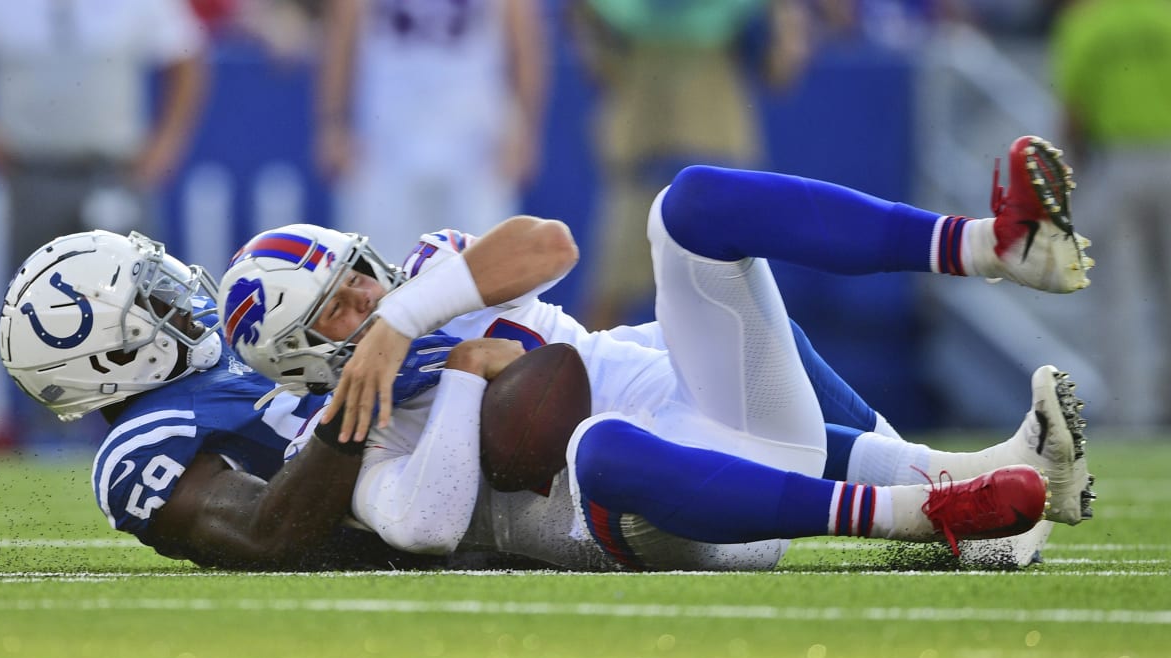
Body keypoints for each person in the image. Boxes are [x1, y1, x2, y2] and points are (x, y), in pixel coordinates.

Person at [218, 136, 1095, 571]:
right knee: (595, 446)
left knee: (693, 204)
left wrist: (410, 319)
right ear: (301, 360)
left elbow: (550, 245)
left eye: (355, 276)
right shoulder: (344, 436)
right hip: (679, 514)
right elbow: (428, 523)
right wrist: (457, 377)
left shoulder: (425, 284)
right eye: (337, 311)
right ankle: (924, 519)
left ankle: (992, 247)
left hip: (731, 410)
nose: (366, 298)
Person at [0, 228, 464, 571]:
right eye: (151, 297)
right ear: (111, 357)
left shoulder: (218, 327)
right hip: (422, 482)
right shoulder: (146, 445)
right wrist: (359, 399)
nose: (179, 297)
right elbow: (267, 535)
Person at [571, 0, 811, 330]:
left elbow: (780, 70)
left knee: (743, 315)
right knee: (608, 305)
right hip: (653, 167)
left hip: (710, 167)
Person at [0, 0, 208, 273]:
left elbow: (186, 58)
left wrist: (167, 142)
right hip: (32, 172)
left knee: (130, 294)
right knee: (36, 299)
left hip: (115, 172)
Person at [316, 0, 546, 263]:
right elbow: (341, 36)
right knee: (378, 272)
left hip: (475, 142)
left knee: (484, 272)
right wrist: (333, 124)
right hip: (386, 140)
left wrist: (526, 131)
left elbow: (524, 43)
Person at [1049, 0, 1171, 427]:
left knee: (1119, 300)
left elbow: (1073, 112)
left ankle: (1131, 414)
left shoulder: (1086, 23)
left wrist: (1070, 180)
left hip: (1116, 165)